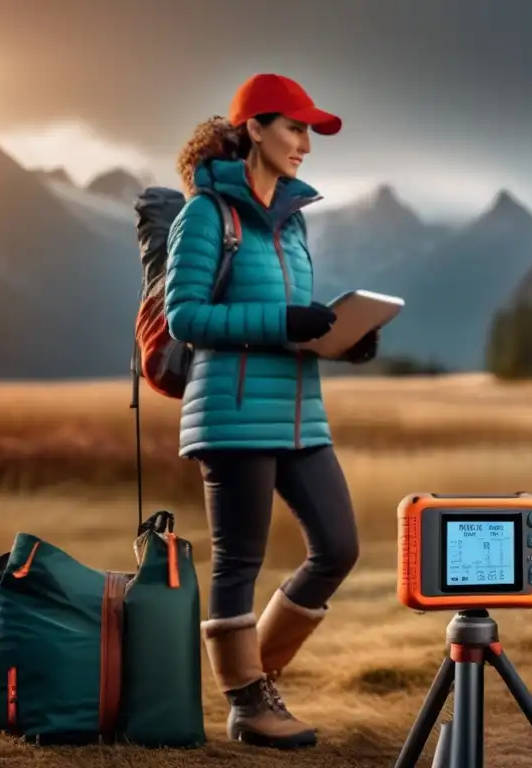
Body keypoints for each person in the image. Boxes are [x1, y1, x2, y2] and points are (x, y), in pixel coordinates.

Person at [164, 73, 378, 749]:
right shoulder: (205, 214)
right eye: (294, 128)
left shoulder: (295, 221)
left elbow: (293, 328)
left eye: (310, 132)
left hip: (299, 416)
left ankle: (254, 675)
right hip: (230, 414)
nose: (305, 144)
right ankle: (248, 705)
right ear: (254, 128)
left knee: (339, 547)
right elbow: (186, 317)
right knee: (239, 562)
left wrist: (344, 339)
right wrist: (285, 317)